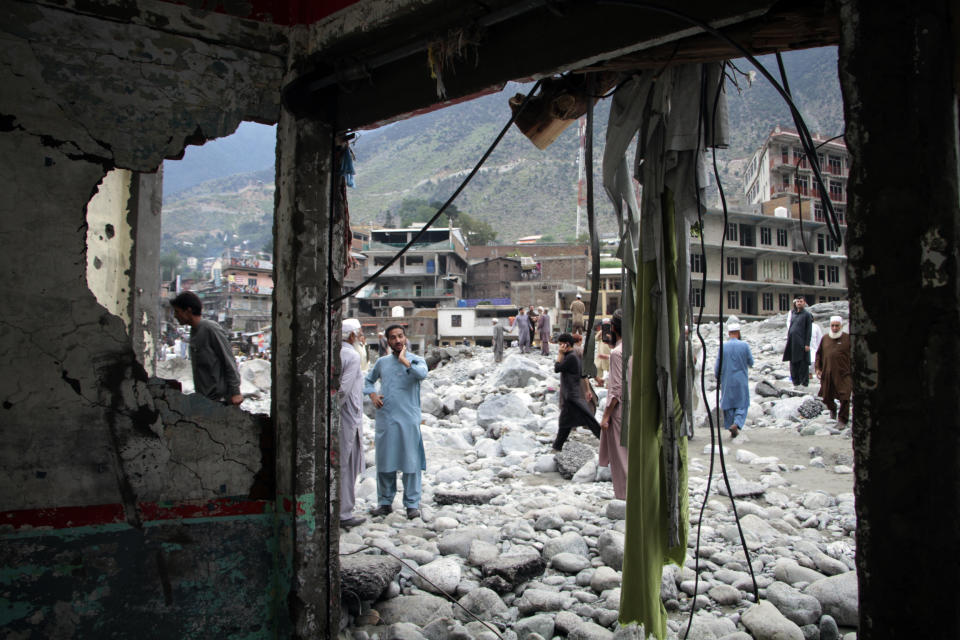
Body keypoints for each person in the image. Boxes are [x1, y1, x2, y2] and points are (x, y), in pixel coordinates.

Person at [363, 325, 428, 519]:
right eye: (393, 338)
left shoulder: (418, 361)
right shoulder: (382, 363)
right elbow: (368, 381)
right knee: (385, 462)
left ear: (406, 338)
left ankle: (412, 504)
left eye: (400, 336)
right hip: (387, 418)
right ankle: (384, 502)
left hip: (408, 419)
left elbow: (421, 375)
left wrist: (405, 361)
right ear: (388, 341)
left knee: (411, 462)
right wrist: (373, 395)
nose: (397, 340)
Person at [170, 291, 242, 406]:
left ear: (188, 311)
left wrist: (235, 392)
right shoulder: (194, 332)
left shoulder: (210, 329)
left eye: (177, 311)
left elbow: (228, 360)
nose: (175, 315)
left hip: (220, 400)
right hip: (205, 400)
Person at [338, 319, 366, 528]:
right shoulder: (352, 355)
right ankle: (344, 513)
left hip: (343, 416)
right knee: (348, 464)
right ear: (351, 336)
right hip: (349, 417)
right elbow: (343, 390)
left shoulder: (338, 352)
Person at [553, 332, 602, 451]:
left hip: (572, 396)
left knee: (589, 421)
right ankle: (557, 447)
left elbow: (557, 368)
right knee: (565, 423)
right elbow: (582, 374)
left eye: (560, 344)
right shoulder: (572, 355)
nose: (559, 347)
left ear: (566, 344)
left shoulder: (570, 357)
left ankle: (606, 441)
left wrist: (560, 354)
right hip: (571, 395)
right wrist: (587, 389)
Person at [599, 310, 628, 499]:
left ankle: (625, 496)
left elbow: (616, 389)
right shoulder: (636, 347)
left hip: (620, 411)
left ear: (614, 328)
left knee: (621, 455)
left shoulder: (617, 353)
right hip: (636, 407)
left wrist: (606, 415)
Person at [715, 320, 753, 438]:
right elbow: (751, 362)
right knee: (742, 403)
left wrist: (717, 376)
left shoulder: (723, 346)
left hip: (727, 379)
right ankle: (737, 423)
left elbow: (717, 365)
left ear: (729, 333)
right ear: (738, 333)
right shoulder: (744, 345)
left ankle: (732, 424)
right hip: (741, 379)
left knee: (728, 404)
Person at [815, 315, 852, 425]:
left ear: (841, 326)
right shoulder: (825, 338)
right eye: (832, 326)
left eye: (837, 326)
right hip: (828, 373)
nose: (835, 328)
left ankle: (842, 420)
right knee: (826, 397)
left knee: (845, 397)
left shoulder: (847, 338)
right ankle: (833, 409)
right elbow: (819, 355)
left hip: (844, 374)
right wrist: (818, 369)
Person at [783, 297, 813, 386]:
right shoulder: (793, 314)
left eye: (801, 301)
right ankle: (795, 382)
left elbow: (808, 330)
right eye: (798, 301)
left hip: (802, 344)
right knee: (793, 363)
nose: (799, 303)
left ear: (804, 303)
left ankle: (804, 383)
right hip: (792, 343)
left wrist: (807, 344)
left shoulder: (807, 315)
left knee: (803, 364)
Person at [594, 320, 611, 386]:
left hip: (607, 351)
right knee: (598, 366)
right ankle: (600, 381)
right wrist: (601, 331)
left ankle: (608, 384)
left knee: (608, 368)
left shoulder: (611, 331)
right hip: (600, 352)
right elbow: (596, 338)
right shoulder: (601, 332)